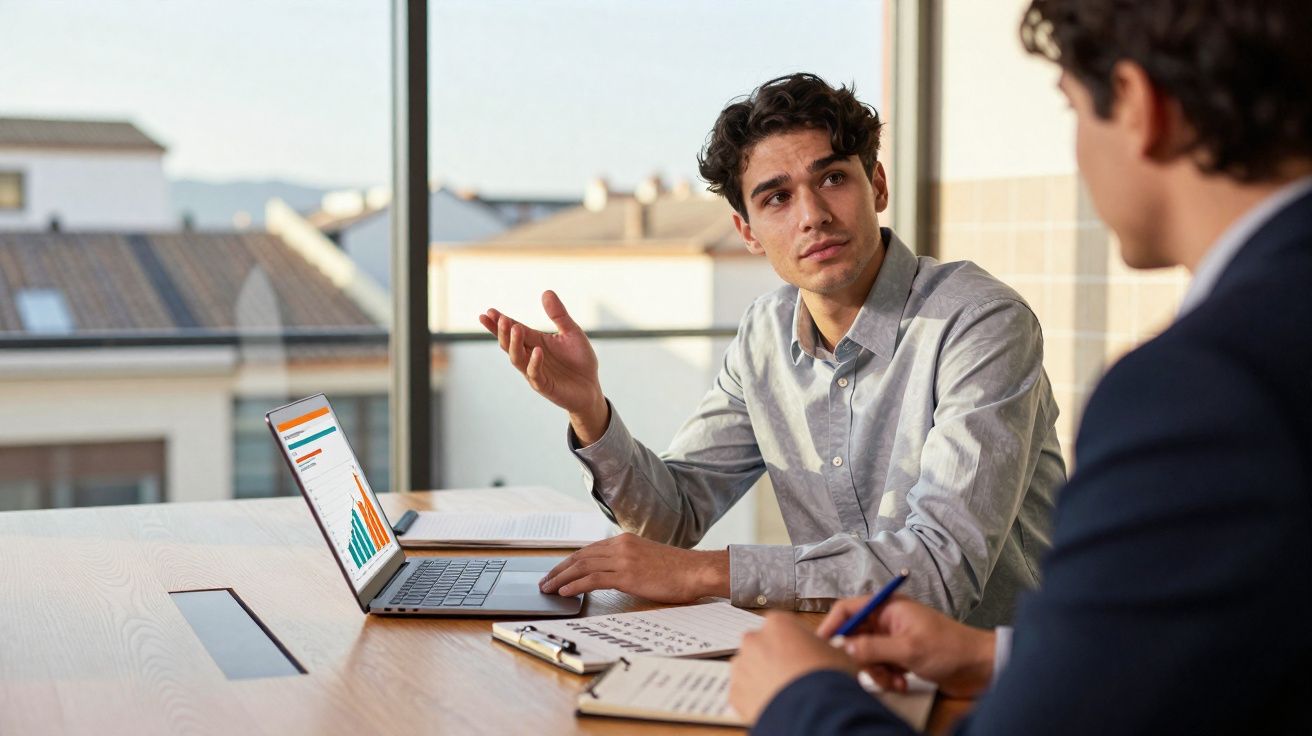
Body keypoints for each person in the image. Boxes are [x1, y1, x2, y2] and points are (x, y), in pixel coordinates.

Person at [728, 1, 1312, 733]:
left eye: (1071, 108)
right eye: (778, 198)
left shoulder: (1198, 391)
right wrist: (995, 655)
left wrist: (799, 697)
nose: (811, 215)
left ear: (1137, 105)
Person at [480, 73, 1066, 626]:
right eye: (777, 198)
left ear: (877, 185)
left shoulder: (980, 322)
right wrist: (589, 410)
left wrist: (707, 573)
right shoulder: (764, 333)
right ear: (748, 232)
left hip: (995, 681)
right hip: (838, 663)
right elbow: (672, 518)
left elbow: (940, 574)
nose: (812, 216)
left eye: (833, 178)